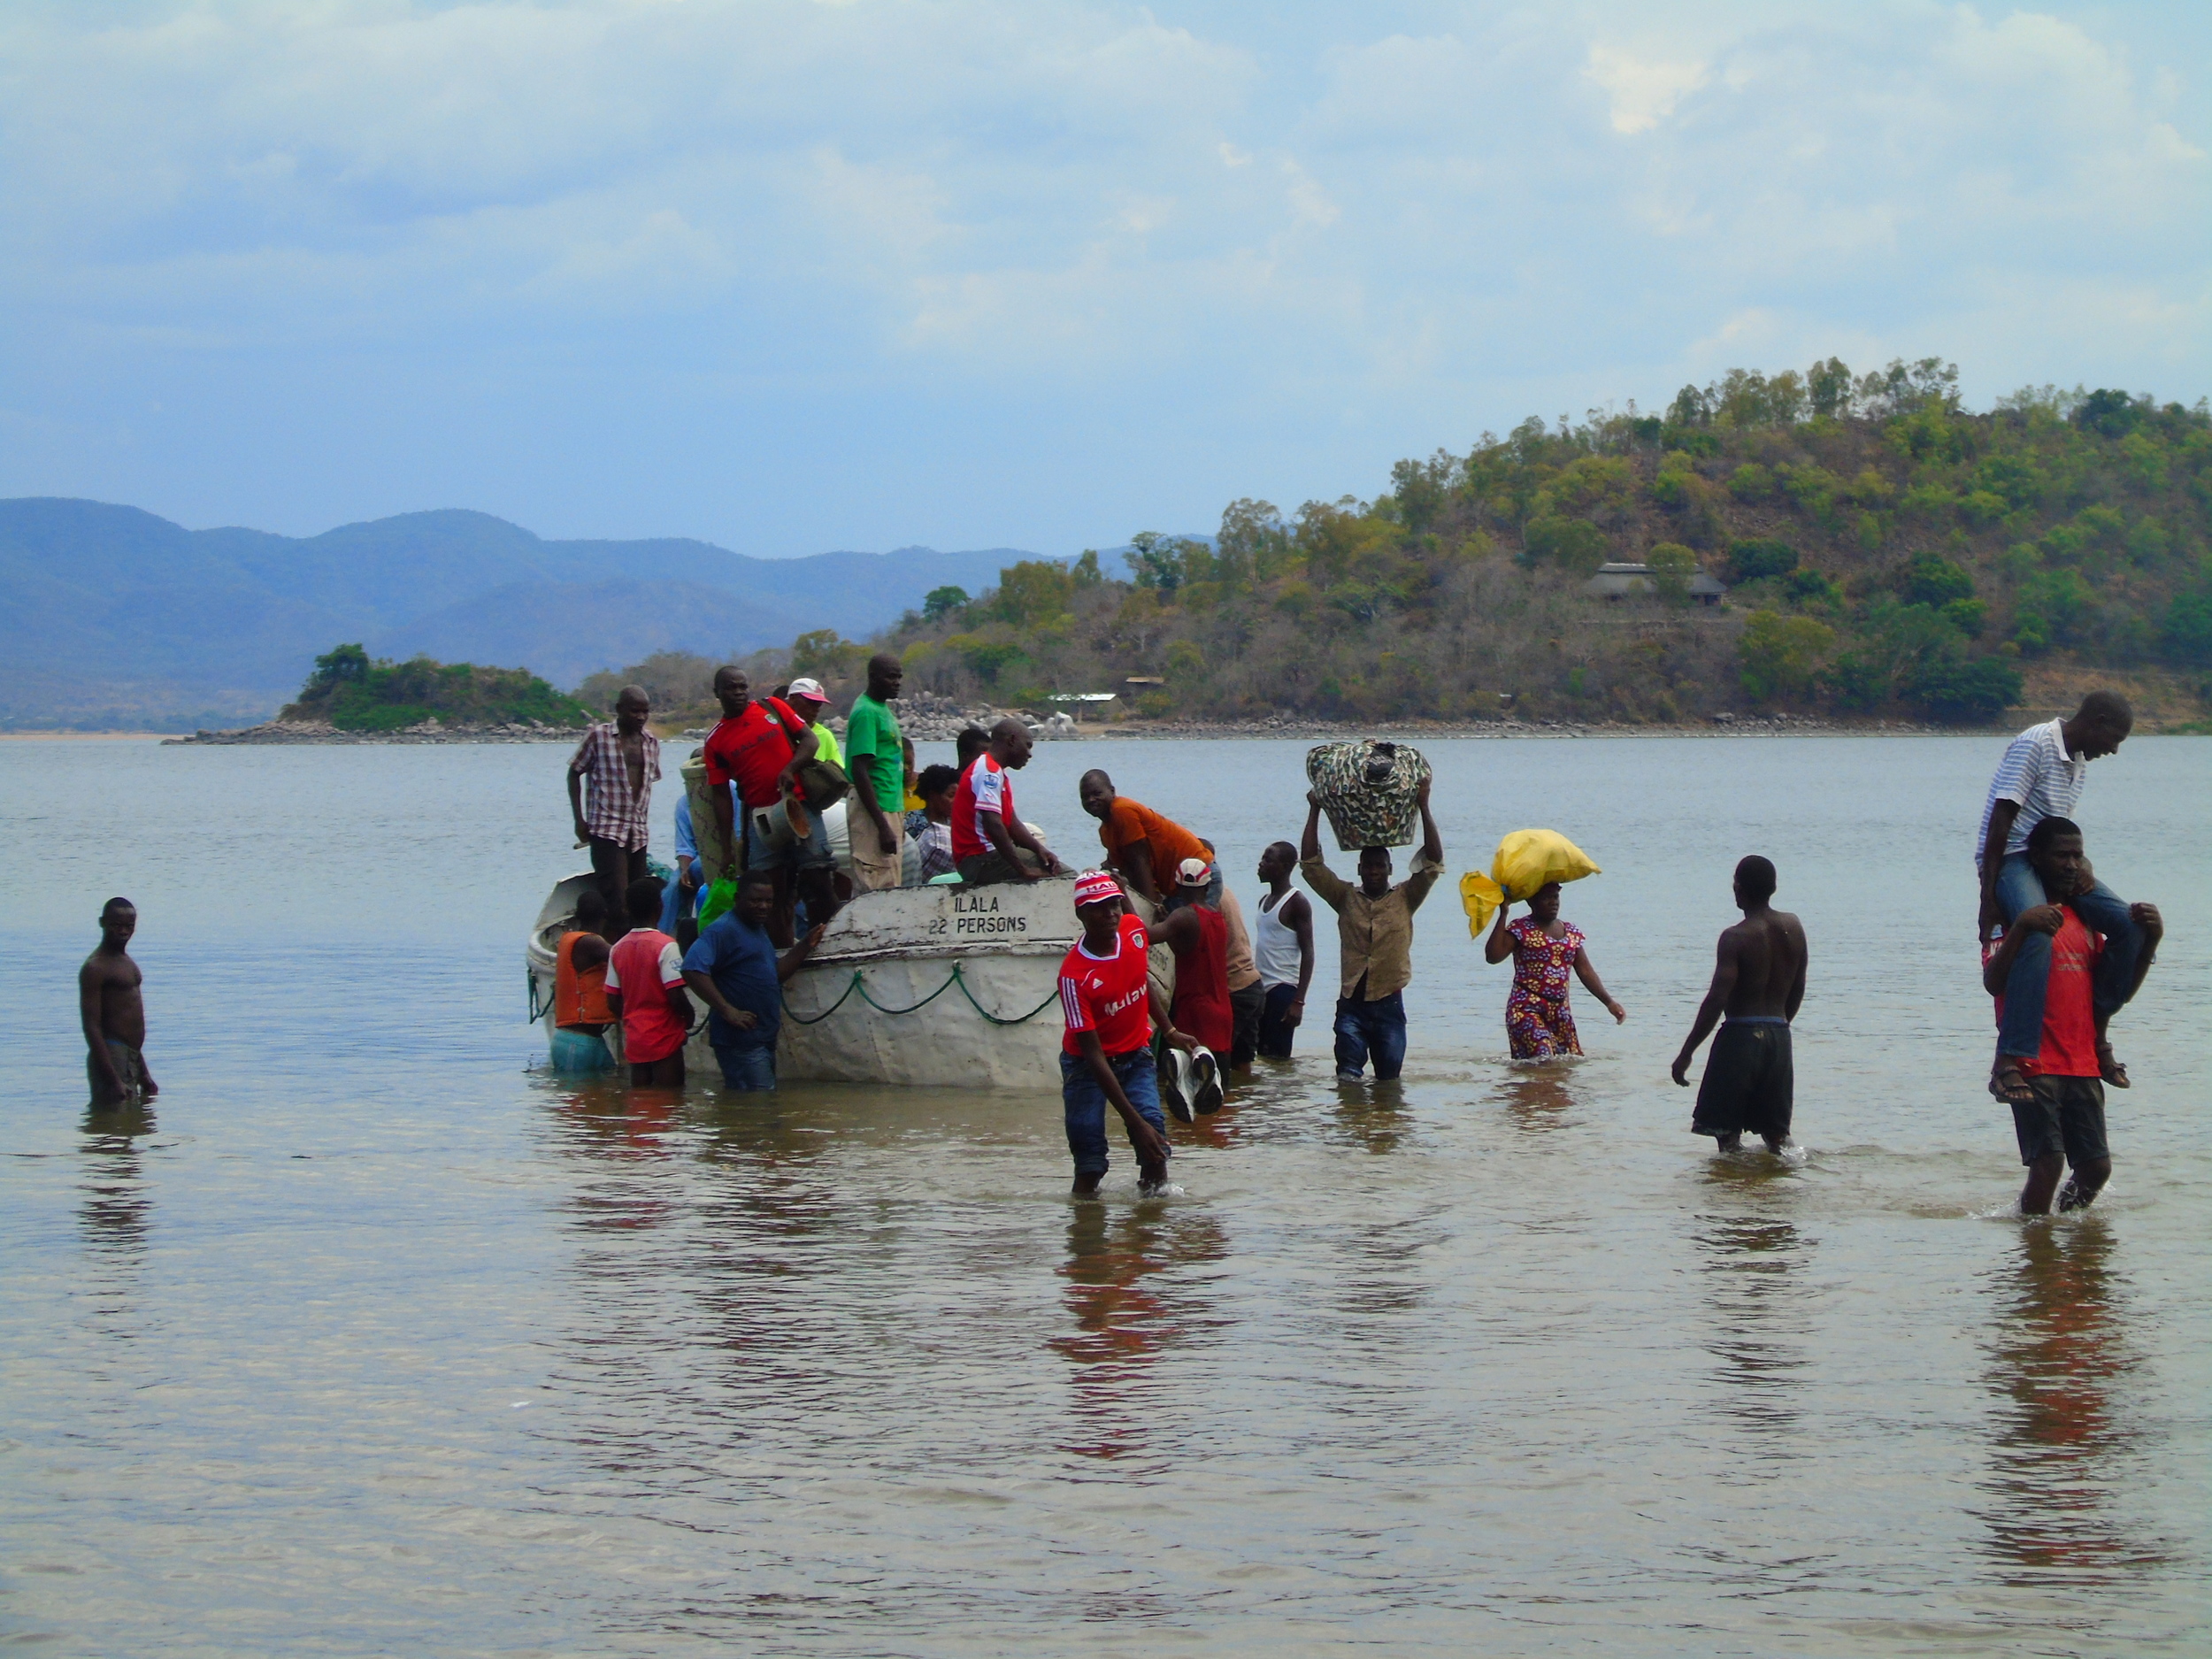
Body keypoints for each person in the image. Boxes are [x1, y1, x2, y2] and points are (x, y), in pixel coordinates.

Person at [1981, 818, 2163, 1213]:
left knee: (2096, 1168)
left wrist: (2150, 941)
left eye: (2078, 856)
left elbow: (2116, 994)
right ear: (2037, 859)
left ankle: (2066, 1234)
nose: (2071, 864)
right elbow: (1994, 982)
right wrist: (2021, 929)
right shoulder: (2017, 917)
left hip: (2081, 1063)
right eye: (2061, 855)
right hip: (2035, 1064)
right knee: (2048, 1164)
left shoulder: (2087, 922)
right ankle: (2034, 1250)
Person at [1976, 691, 2144, 1105]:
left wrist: (2081, 864)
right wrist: (1989, 895)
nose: (2114, 749)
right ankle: (2010, 1057)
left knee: (2131, 925)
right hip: (2014, 858)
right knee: (2038, 929)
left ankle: (2097, 1034)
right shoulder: (2036, 744)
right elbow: (2000, 821)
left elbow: (2057, 827)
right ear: (2096, 719)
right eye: (2115, 737)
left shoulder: (2079, 761)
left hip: (2050, 858)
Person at [1057, 870, 1195, 1194]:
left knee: (1155, 1141)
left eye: (1114, 905)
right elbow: (1092, 1054)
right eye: (1098, 907)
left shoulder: (1133, 931)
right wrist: (1133, 1123)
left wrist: (1170, 1030)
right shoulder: (1074, 976)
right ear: (1081, 914)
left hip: (1135, 1055)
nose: (1110, 914)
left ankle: (1150, 1230)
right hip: (1088, 1067)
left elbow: (1140, 981)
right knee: (1089, 1157)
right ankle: (1086, 1231)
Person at [1299, 780, 1443, 1083]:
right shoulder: (1345, 897)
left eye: (1380, 866)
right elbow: (1311, 866)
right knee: (1348, 1078)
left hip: (1390, 1002)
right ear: (1359, 869)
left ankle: (1379, 1128)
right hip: (1352, 1002)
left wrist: (1423, 806)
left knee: (1389, 1081)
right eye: (1368, 866)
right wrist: (1315, 810)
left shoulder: (1406, 897)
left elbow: (1433, 862)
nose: (1374, 872)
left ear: (1391, 869)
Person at [1671, 856, 1808, 1155]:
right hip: (1779, 1036)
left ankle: (1735, 1193)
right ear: (1773, 887)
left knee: (1728, 1137)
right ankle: (1782, 1183)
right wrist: (1781, 1026)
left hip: (1740, 1037)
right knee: (1778, 1137)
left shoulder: (1735, 937)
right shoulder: (1794, 927)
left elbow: (1717, 998)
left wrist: (1686, 1052)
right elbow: (1798, 986)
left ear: (1739, 888)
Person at [702, 665, 826, 944]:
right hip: (762, 820)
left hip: (799, 805)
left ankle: (829, 941)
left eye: (743, 687)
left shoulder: (773, 707)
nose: (738, 693)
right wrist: (727, 849)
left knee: (818, 875)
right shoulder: (715, 741)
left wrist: (790, 768)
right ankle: (781, 953)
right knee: (769, 893)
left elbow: (810, 740)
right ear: (717, 693)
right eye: (731, 688)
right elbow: (720, 795)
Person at [681, 868, 826, 1091]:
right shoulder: (723, 930)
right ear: (738, 899)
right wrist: (728, 1010)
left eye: (768, 901)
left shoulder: (758, 929)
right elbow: (691, 968)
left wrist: (804, 945)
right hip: (740, 1042)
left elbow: (773, 975)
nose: (764, 907)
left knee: (755, 1110)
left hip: (764, 1037)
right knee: (759, 1104)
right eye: (756, 901)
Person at [1483, 881, 1626, 1060]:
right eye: (1546, 898)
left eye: (1555, 897)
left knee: (1564, 1068)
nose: (1553, 902)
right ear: (1531, 902)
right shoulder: (1520, 929)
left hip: (1560, 1012)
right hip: (1526, 1009)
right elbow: (1493, 956)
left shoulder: (1571, 932)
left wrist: (1609, 1003)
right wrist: (1503, 913)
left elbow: (1585, 971)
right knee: (1543, 1058)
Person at [568, 685, 661, 941]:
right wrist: (579, 820)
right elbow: (574, 772)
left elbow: (646, 784)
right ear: (619, 710)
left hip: (638, 831)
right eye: (635, 711)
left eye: (645, 712)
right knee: (618, 902)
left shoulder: (651, 743)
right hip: (606, 829)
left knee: (638, 902)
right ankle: (614, 958)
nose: (641, 717)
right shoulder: (599, 737)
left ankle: (635, 953)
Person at [953, 718, 1068, 884]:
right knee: (1067, 877)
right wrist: (1022, 869)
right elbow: (993, 824)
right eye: (1027, 745)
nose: (1029, 754)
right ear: (1012, 740)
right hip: (980, 858)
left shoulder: (996, 772)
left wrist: (1040, 849)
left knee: (1049, 865)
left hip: (979, 859)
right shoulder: (988, 772)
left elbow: (1012, 824)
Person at [603, 877, 692, 1086]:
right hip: (665, 1039)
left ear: (627, 910)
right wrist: (688, 1016)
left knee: (641, 1105)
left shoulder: (617, 949)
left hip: (636, 1041)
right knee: (670, 1104)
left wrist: (633, 1019)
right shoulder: (667, 946)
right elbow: (675, 996)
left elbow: (612, 1001)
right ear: (660, 907)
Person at [1079, 771, 1211, 905]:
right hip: (1175, 886)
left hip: (1197, 877)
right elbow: (1129, 870)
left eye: (1097, 794)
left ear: (1112, 791)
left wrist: (1151, 906)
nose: (1091, 800)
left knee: (1186, 923)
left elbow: (1140, 861)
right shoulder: (1105, 831)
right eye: (1085, 797)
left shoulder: (1122, 809)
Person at [1156, 856, 1234, 1075]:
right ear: (1208, 886)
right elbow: (1187, 951)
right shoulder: (1217, 918)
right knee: (1218, 1089)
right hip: (1222, 1014)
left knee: (1187, 1085)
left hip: (1195, 1014)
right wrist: (1169, 926)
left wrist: (1125, 899)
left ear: (1178, 886)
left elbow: (1143, 936)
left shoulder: (1183, 916)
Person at [1197, 837, 1265, 1070]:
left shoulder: (1209, 901)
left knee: (1216, 1065)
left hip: (1234, 990)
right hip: (1252, 986)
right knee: (1243, 1068)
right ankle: (1242, 1106)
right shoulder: (1225, 892)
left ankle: (1224, 1106)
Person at [81, 896, 156, 1106]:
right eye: (116, 926)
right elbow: (91, 1026)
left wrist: (144, 1074)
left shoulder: (127, 963)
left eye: (129, 926)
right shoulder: (95, 968)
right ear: (102, 923)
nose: (123, 931)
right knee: (111, 1130)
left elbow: (129, 1025)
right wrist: (113, 1080)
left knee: (128, 1130)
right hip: (111, 1057)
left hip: (131, 1056)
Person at [842, 653, 907, 894]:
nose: (897, 682)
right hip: (874, 810)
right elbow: (859, 769)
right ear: (873, 677)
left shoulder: (882, 709)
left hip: (891, 806)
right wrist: (882, 825)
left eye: (899, 676)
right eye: (891, 677)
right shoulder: (866, 712)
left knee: (891, 880)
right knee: (875, 886)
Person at [1251, 841, 1314, 1058]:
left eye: (1268, 860)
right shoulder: (1264, 901)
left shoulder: (1297, 902)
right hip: (1261, 989)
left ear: (1285, 866)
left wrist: (1298, 1001)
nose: (1261, 864)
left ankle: (1285, 1094)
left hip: (1283, 990)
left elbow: (1308, 953)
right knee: (1259, 1055)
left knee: (1278, 1058)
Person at [552, 888, 617, 1071]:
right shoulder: (591, 943)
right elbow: (623, 957)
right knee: (580, 1096)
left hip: (587, 1040)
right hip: (578, 1043)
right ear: (606, 914)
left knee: (602, 1094)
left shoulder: (570, 939)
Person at [907, 763, 959, 882]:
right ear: (933, 795)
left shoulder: (954, 822)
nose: (956, 801)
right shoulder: (913, 822)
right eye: (951, 796)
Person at [785, 678, 842, 766]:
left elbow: (838, 771)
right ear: (793, 699)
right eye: (811, 702)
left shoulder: (825, 736)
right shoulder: (776, 730)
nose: (816, 709)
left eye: (819, 704)